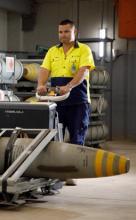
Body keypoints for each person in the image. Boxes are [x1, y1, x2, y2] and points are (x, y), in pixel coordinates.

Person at [37, 19, 95, 186]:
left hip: (78, 101)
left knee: (77, 137)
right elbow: (44, 70)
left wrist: (69, 86)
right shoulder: (52, 51)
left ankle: (72, 173)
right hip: (57, 101)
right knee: (55, 135)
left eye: (66, 32)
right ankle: (56, 171)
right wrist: (41, 85)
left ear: (74, 32)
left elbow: (82, 72)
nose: (63, 35)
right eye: (60, 32)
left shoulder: (84, 50)